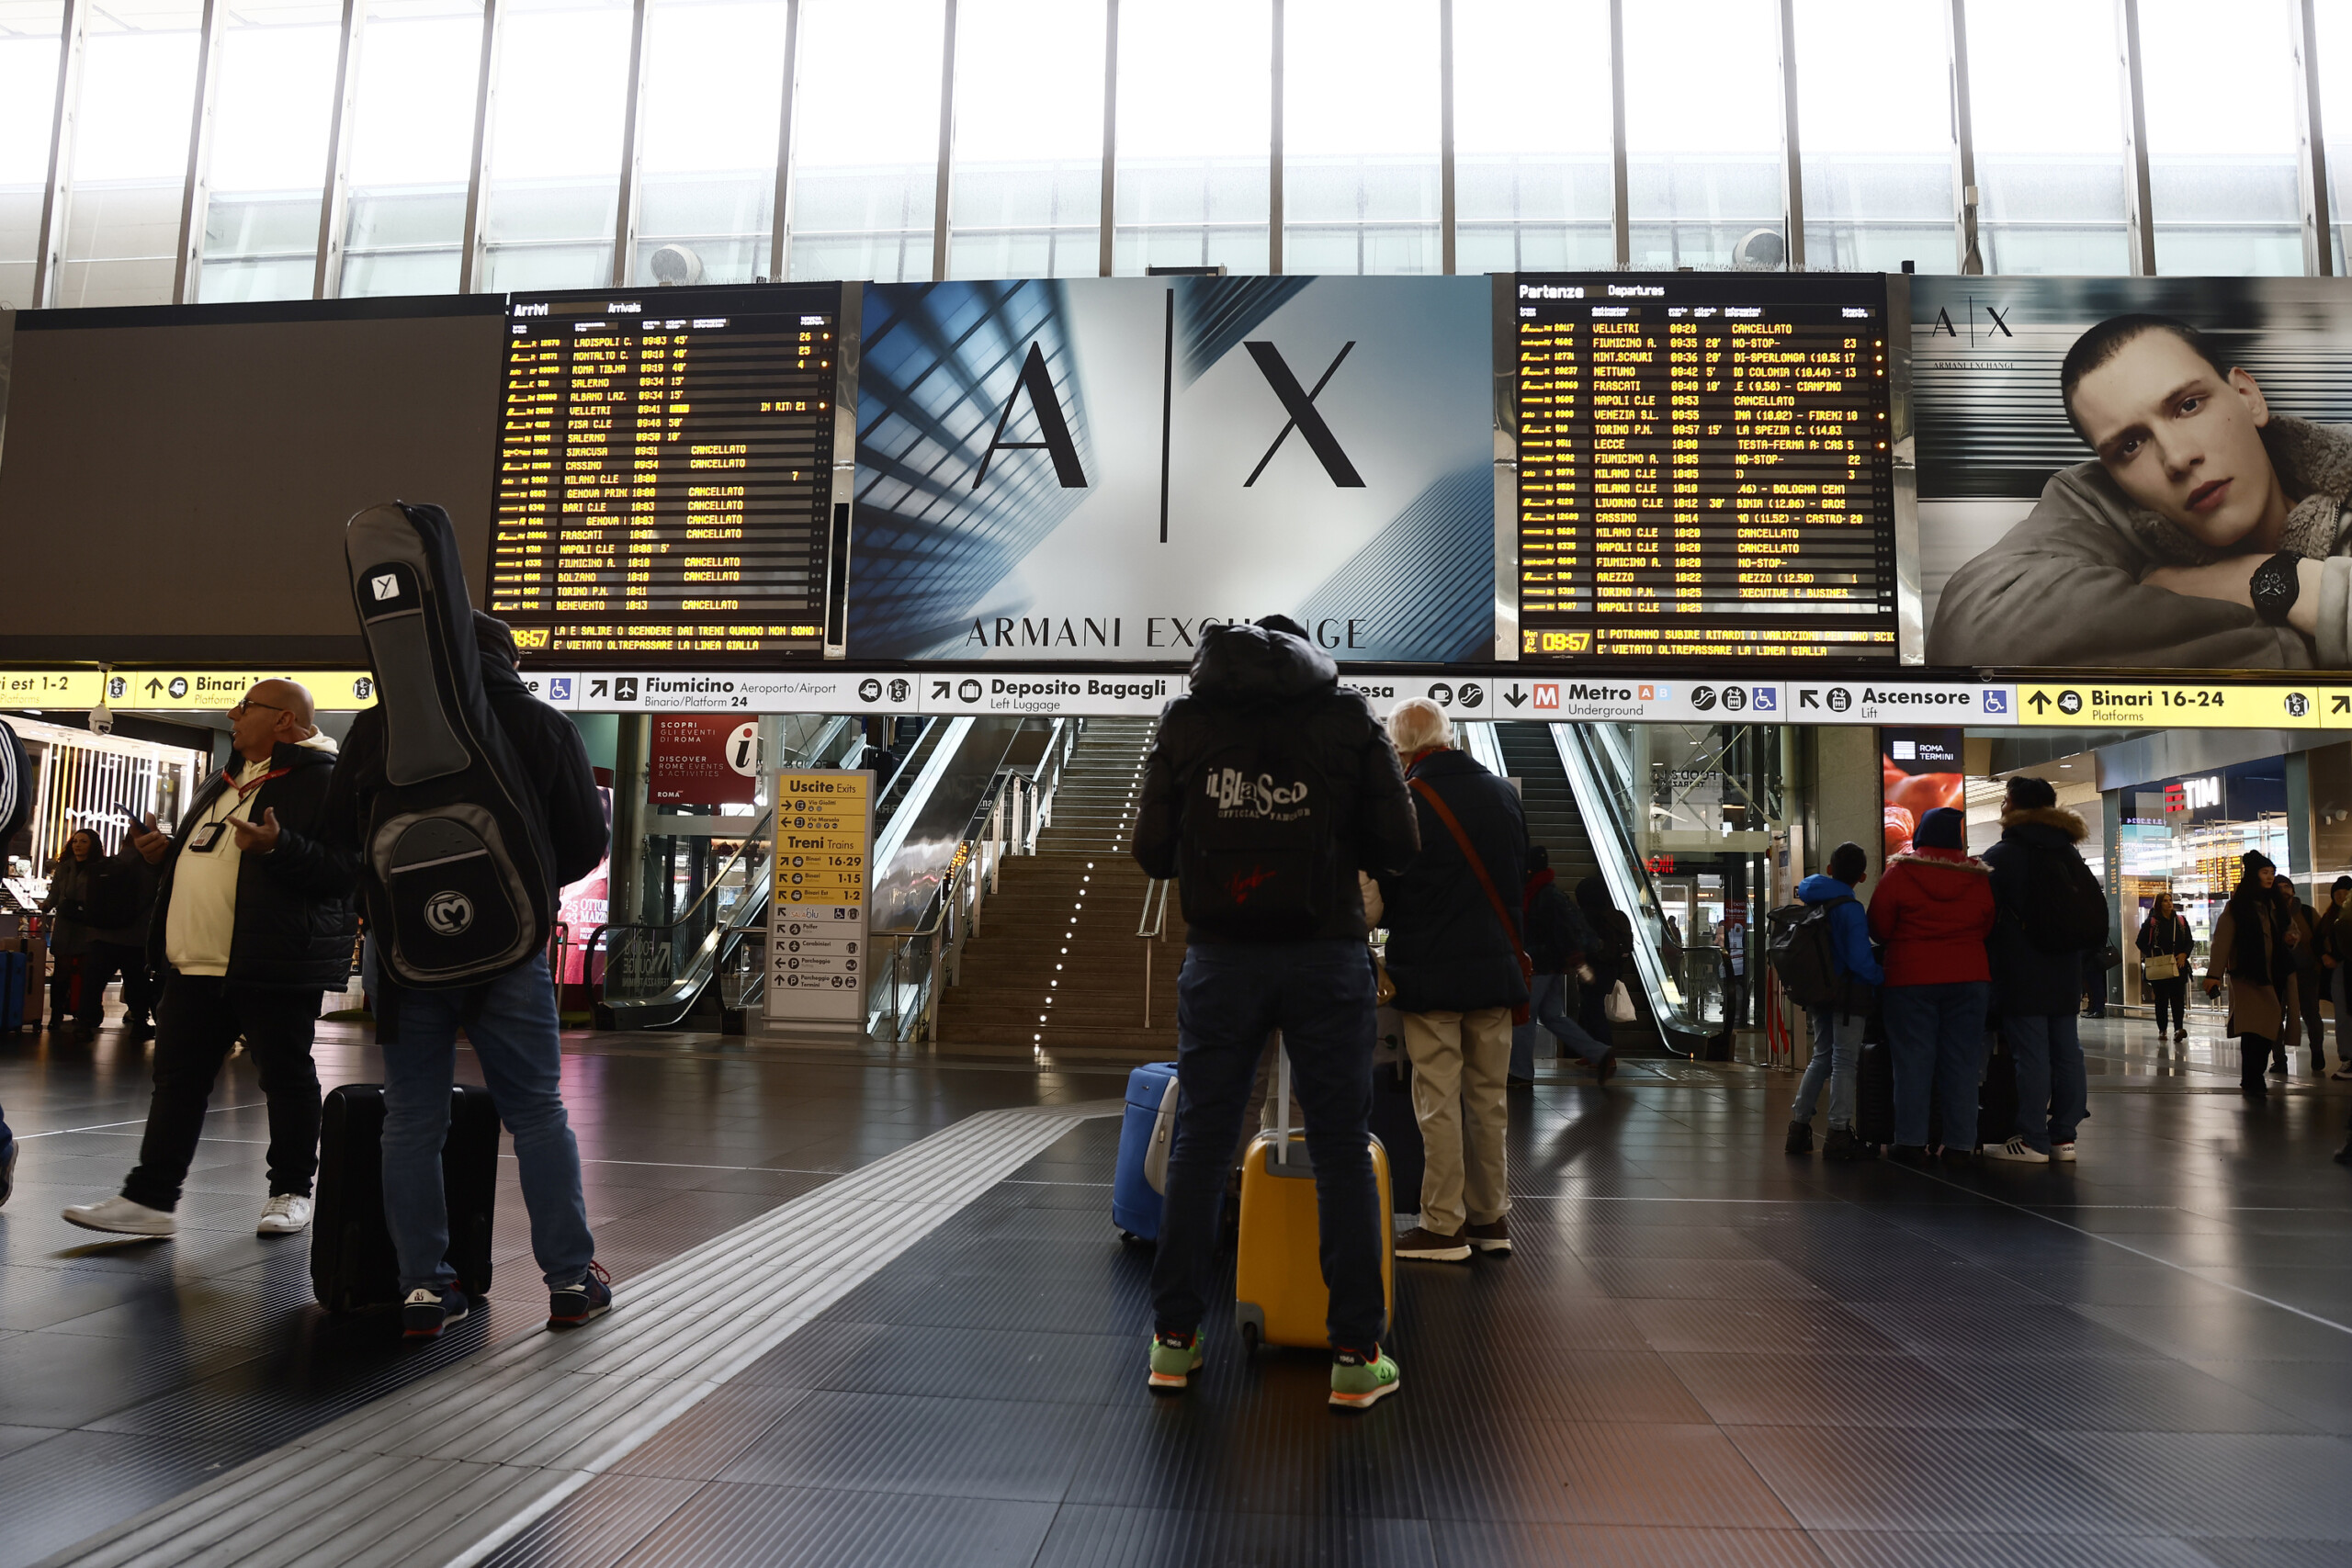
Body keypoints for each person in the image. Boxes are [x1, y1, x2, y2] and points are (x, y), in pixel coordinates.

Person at [273, 614, 613, 1339]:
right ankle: (569, 1281)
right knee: (537, 1114)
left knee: (413, 1119)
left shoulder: (378, 727)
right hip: (508, 953)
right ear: (504, 657)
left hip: (405, 954)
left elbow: (338, 839)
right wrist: (517, 890)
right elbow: (586, 842)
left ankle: (423, 1287)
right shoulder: (540, 723)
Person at [1129, 616, 1417, 1409]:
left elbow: (1151, 851)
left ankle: (1174, 1343)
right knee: (1339, 1149)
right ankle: (1357, 1354)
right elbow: (1399, 842)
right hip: (1326, 954)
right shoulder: (1351, 717)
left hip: (1220, 956)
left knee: (1202, 1142)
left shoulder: (1187, 720)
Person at [62, 681, 354, 1238]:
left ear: (285, 722)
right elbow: (211, 857)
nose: (232, 714)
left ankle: (291, 1191)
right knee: (177, 1082)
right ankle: (150, 1200)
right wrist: (163, 857)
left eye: (246, 707)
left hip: (271, 961)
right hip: (195, 965)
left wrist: (281, 847)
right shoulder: (221, 782)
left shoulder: (326, 782)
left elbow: (348, 871)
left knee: (286, 1078)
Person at [1928, 314, 2352, 669]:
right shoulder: (2104, 508)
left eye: (2188, 405)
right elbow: (1974, 637)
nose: (2177, 458)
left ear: (2247, 397)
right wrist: (2299, 637)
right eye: (2130, 446)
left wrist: (2291, 586)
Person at [1379, 698, 1531, 1265]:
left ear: (1402, 749)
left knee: (1438, 1101)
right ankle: (1491, 1219)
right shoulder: (1502, 795)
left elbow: (1389, 895)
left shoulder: (1409, 802)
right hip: (1496, 970)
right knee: (1488, 1100)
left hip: (1433, 975)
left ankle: (1443, 1227)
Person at [1867, 807, 1995, 1167]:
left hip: (1910, 979)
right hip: (1970, 978)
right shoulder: (1978, 877)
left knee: (1912, 1061)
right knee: (1964, 1063)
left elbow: (1878, 925)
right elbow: (1987, 924)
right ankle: (1959, 1144)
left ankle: (1909, 1142)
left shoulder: (1900, 873)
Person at [1983, 775, 2094, 1163]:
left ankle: (2031, 1139)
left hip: (2021, 971)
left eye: (2005, 800)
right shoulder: (2068, 853)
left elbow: (1984, 917)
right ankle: (2063, 1138)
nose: (2002, 807)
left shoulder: (2003, 855)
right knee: (2068, 1052)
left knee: (2031, 1055)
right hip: (2065, 969)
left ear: (2015, 805)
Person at [1784, 841, 1883, 1162]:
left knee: (1821, 1057)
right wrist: (1881, 977)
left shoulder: (1813, 902)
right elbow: (1859, 959)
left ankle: (1798, 1128)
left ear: (1829, 869)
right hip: (1848, 994)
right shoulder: (1849, 908)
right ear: (1863, 877)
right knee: (1844, 1062)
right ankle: (1838, 1132)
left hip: (1819, 993)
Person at [1516, 845, 1615, 1085]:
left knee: (1524, 1017)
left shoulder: (1542, 895)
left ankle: (1519, 1072)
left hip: (1540, 965)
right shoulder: (1544, 892)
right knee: (1552, 1017)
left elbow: (1554, 932)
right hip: (1551, 966)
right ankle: (1599, 1053)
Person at [2205, 852, 2290, 1100]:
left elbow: (2289, 933)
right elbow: (2222, 942)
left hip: (2272, 974)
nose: (2270, 878)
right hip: (2248, 977)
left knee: (2266, 1027)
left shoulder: (2274, 906)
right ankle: (2253, 1076)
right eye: (2265, 873)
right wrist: (2213, 975)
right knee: (2255, 1028)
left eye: (2272, 873)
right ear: (2254, 875)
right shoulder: (2237, 907)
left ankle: (2252, 1075)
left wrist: (2291, 940)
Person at [75, 819, 164, 1042]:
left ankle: (85, 1023)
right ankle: (140, 1023)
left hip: (100, 936)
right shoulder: (149, 869)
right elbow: (152, 899)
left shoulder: (105, 865)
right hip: (134, 939)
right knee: (137, 983)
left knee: (93, 983)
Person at [38, 829, 104, 1035]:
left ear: (92, 845)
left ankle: (84, 1015)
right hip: (66, 924)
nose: (78, 845)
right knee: (61, 974)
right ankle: (56, 1014)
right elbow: (55, 893)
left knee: (87, 974)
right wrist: (46, 906)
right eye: (75, 841)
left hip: (86, 924)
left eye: (83, 841)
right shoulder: (64, 868)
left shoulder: (99, 868)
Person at [1575, 876, 1634, 1044]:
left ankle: (1603, 1052)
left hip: (1592, 968)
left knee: (1592, 1009)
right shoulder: (1618, 916)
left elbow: (1586, 942)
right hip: (1611, 968)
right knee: (1593, 1008)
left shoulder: (1590, 916)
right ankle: (1595, 1051)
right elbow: (1627, 944)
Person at [2272, 877, 2319, 1076]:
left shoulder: (2307, 913)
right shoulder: (2269, 913)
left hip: (2305, 972)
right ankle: (2279, 1059)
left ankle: (2317, 1052)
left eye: (2287, 886)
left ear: (2293, 890)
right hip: (2278, 973)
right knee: (2276, 1016)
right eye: (2279, 887)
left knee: (2311, 1013)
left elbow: (2320, 939)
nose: (2284, 890)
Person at [2136, 891, 2194, 1043]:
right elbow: (2140, 942)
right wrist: (2153, 954)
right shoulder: (2152, 922)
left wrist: (2184, 954)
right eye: (2165, 901)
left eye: (2170, 900)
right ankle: (2162, 1029)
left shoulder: (2180, 921)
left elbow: (2189, 941)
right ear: (2159, 904)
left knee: (2178, 999)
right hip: (2160, 967)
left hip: (2178, 965)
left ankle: (2178, 1029)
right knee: (2161, 999)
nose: (2169, 903)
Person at [2318, 876, 2352, 1080]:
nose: (2342, 897)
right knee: (2343, 1016)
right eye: (2337, 894)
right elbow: (2317, 940)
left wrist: (2335, 956)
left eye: (2346, 893)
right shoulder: (2330, 918)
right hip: (2340, 973)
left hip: (2343, 969)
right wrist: (2324, 955)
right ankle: (2347, 1057)